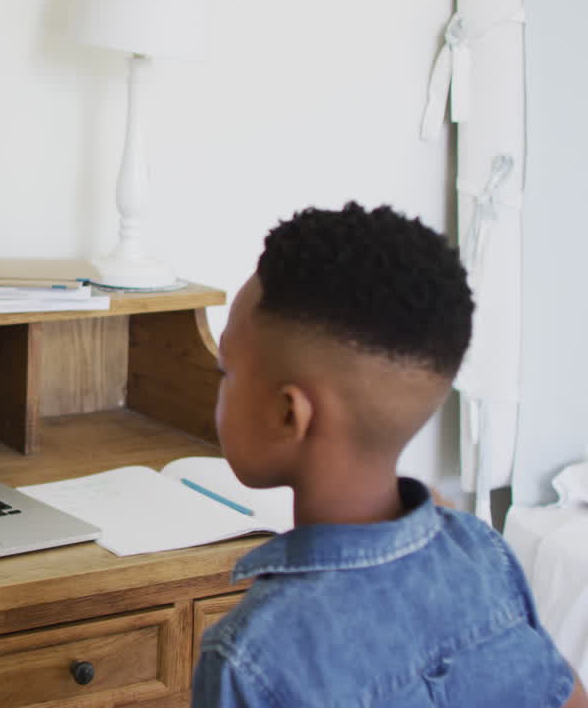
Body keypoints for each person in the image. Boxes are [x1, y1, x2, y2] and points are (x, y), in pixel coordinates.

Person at [192, 202, 587, 708]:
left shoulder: (251, 655)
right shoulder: (481, 551)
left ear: (289, 414)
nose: (219, 386)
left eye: (227, 370)